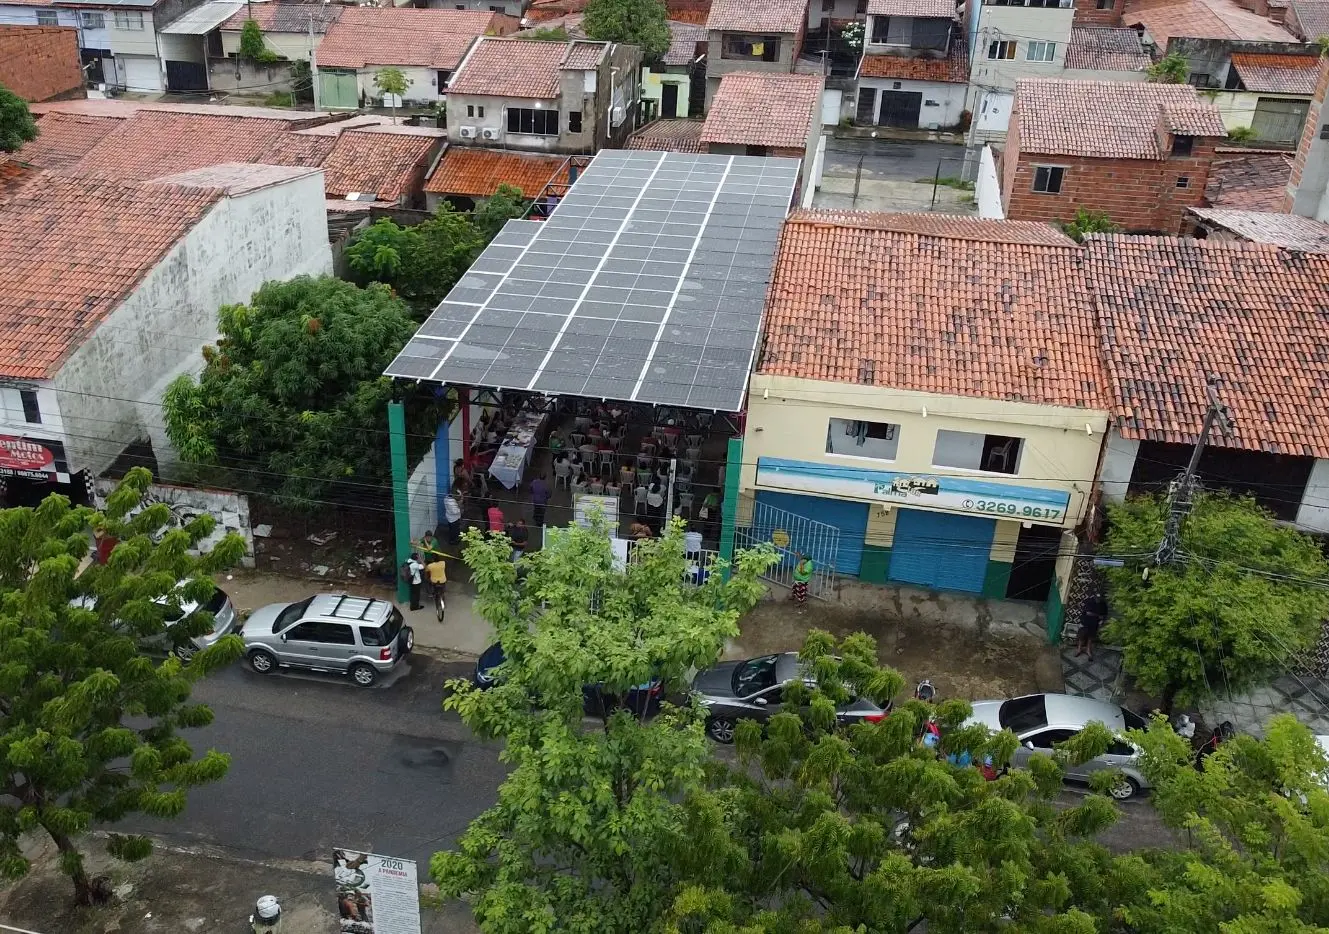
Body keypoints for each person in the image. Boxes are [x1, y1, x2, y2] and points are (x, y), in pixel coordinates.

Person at [1076, 592, 1107, 659]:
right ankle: (1079, 650)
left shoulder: (1103, 604)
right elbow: (1088, 613)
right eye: (1097, 598)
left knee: (1090, 638)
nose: (1098, 600)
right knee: (1081, 636)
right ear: (1094, 597)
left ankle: (1088, 650)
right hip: (1085, 622)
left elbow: (1104, 614)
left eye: (1099, 599)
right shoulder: (1089, 601)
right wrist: (1099, 616)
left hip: (1095, 624)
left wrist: (1102, 620)